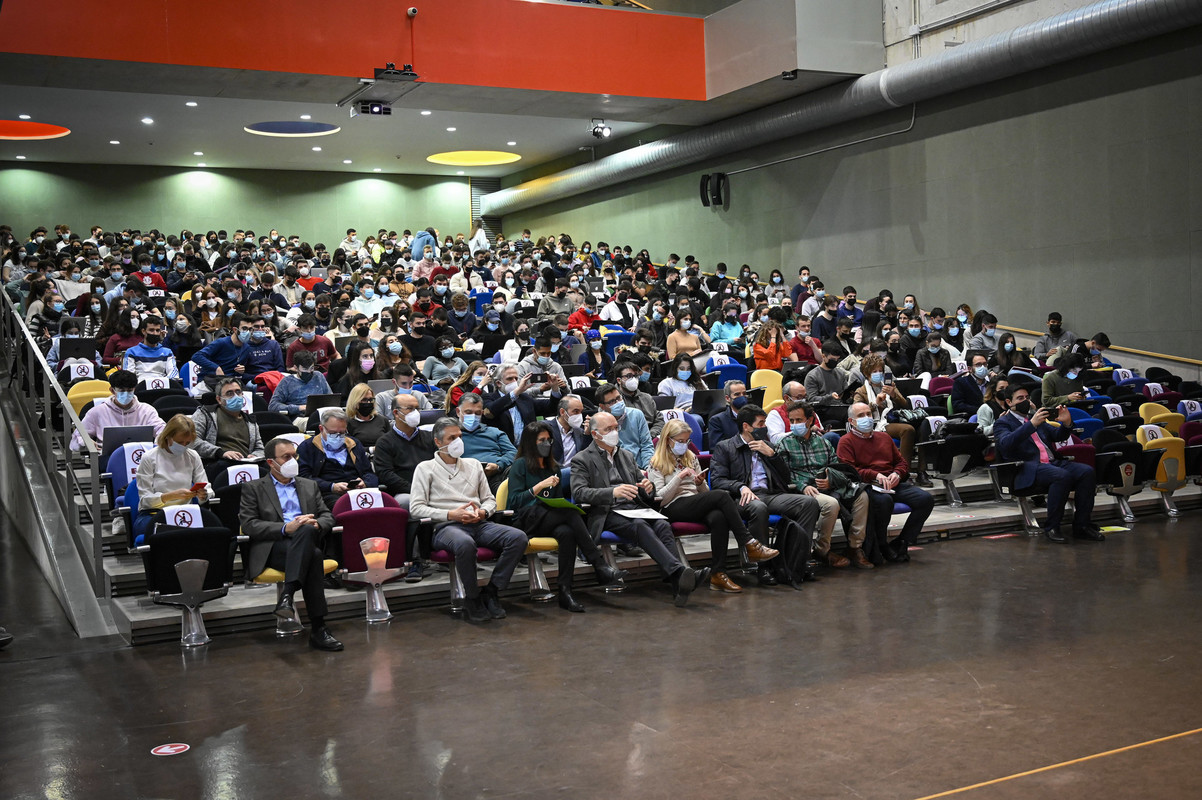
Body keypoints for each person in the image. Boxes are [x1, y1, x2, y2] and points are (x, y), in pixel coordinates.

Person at [570, 412, 705, 607]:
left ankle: (678, 582)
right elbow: (580, 492)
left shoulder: (626, 455)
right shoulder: (581, 459)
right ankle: (678, 572)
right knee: (640, 526)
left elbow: (642, 487)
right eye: (608, 429)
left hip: (634, 508)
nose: (614, 432)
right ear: (595, 434)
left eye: (616, 428)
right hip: (607, 511)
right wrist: (613, 492)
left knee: (662, 524)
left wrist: (647, 487)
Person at [410, 417, 529, 623]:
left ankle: (492, 590)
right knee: (465, 543)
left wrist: (483, 512)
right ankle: (472, 598)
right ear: (438, 442)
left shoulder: (474, 465)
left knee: (518, 537)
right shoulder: (425, 468)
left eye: (460, 436)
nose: (458, 441)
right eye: (452, 437)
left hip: (479, 523)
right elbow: (416, 508)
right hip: (446, 527)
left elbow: (489, 500)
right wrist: (451, 514)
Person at [506, 421, 629, 612]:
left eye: (549, 440)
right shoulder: (520, 465)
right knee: (570, 513)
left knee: (567, 533)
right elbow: (513, 502)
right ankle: (599, 565)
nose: (547, 444)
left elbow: (555, 501)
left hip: (549, 518)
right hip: (525, 520)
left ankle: (565, 591)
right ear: (531, 443)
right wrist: (539, 487)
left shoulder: (553, 468)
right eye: (541, 440)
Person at [648, 419, 779, 594]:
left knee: (718, 516)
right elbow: (659, 499)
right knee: (722, 496)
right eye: (680, 441)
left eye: (687, 441)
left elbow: (705, 493)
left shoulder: (690, 457)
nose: (684, 445)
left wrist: (700, 483)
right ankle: (748, 542)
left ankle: (718, 574)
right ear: (667, 440)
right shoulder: (656, 462)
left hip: (693, 503)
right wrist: (678, 478)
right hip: (671, 507)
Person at [239, 437, 343, 651]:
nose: (292, 460)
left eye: (294, 456)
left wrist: (316, 524)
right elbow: (249, 525)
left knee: (306, 529)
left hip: (306, 537)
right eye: (286, 457)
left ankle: (288, 594)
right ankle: (319, 629)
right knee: (313, 556)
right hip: (275, 546)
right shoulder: (254, 488)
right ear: (270, 462)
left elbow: (327, 516)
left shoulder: (309, 485)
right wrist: (286, 528)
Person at [710, 404, 820, 588]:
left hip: (770, 494)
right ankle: (763, 567)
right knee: (758, 507)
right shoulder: (725, 447)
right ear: (746, 426)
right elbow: (717, 480)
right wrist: (741, 486)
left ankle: (794, 558)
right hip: (740, 499)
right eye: (760, 424)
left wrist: (772, 455)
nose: (764, 428)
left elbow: (786, 479)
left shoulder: (768, 446)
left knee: (808, 503)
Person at [993, 385, 1102, 543]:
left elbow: (1057, 436)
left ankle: (1082, 526)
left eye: (1027, 397)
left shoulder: (1035, 418)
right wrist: (1031, 425)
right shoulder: (1003, 423)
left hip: (1051, 463)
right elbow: (1005, 444)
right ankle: (1052, 527)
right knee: (1061, 476)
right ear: (1009, 402)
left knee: (1086, 471)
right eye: (1020, 398)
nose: (1026, 401)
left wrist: (1066, 424)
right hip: (1027, 468)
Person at [837, 403, 935, 563]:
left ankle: (902, 541)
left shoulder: (884, 437)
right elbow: (849, 471)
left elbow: (902, 463)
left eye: (869, 414)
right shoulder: (846, 442)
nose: (867, 418)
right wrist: (875, 475)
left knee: (925, 499)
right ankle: (882, 544)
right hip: (868, 485)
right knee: (884, 501)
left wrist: (897, 473)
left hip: (892, 482)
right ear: (852, 421)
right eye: (861, 416)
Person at [778, 402, 872, 569]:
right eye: (791, 421)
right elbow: (784, 475)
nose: (794, 425)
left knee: (861, 496)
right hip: (805, 489)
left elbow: (837, 467)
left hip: (828, 485)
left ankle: (854, 547)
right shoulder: (785, 444)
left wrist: (831, 480)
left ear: (809, 420)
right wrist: (802, 486)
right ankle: (822, 551)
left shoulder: (823, 443)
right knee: (831, 504)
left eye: (798, 420)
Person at [372, 391, 437, 582]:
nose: (415, 412)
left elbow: (440, 465)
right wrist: (416, 490)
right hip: (403, 492)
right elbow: (385, 475)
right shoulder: (385, 442)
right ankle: (416, 559)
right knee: (410, 504)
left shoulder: (429, 437)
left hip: (433, 489)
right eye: (410, 409)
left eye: (417, 408)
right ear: (396, 413)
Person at [132, 414, 217, 543]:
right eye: (180, 442)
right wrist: (169, 496)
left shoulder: (192, 456)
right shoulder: (149, 458)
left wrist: (203, 495)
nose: (183, 446)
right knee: (167, 532)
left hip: (185, 511)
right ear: (168, 437)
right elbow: (145, 500)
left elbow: (207, 487)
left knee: (213, 527)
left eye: (187, 443)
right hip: (154, 513)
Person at [297, 408, 379, 516]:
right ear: (321, 429)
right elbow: (304, 478)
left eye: (342, 433)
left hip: (358, 491)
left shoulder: (354, 443)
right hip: (327, 493)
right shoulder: (308, 447)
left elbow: (369, 472)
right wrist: (331, 486)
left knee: (383, 508)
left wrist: (365, 483)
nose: (338, 436)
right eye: (333, 433)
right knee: (346, 508)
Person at [70, 368, 165, 451]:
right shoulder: (97, 412)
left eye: (129, 390)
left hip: (141, 453)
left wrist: (158, 443)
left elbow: (163, 430)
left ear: (134, 389)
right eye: (122, 391)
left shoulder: (147, 410)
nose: (126, 394)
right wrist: (86, 441)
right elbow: (77, 436)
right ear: (112, 390)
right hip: (108, 455)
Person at [191, 377, 265, 479]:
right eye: (229, 393)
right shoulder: (205, 413)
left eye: (238, 392)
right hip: (217, 462)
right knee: (222, 466)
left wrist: (255, 456)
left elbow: (259, 448)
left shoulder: (250, 421)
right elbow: (192, 440)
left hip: (246, 464)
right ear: (219, 399)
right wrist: (220, 452)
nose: (235, 396)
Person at [455, 393, 516, 492]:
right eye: (468, 412)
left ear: (482, 413)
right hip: (464, 479)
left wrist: (498, 466)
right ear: (458, 412)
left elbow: (513, 453)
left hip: (498, 475)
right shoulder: (451, 435)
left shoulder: (495, 432)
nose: (473, 416)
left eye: (477, 413)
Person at [595, 382, 654, 469]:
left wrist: (648, 469)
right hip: (616, 470)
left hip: (640, 466)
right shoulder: (599, 421)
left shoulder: (637, 414)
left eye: (619, 398)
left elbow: (646, 445)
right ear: (602, 406)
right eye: (612, 402)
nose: (618, 402)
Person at [268, 350, 331, 428]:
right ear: (296, 368)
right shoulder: (287, 382)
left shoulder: (318, 376)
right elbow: (273, 406)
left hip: (321, 415)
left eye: (311, 368)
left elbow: (330, 398)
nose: (309, 371)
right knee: (318, 424)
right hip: (300, 418)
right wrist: (299, 408)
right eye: (305, 369)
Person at [192, 314, 252, 390]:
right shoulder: (221, 342)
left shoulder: (247, 347)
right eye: (244, 328)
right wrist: (216, 368)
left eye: (250, 329)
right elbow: (196, 356)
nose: (248, 332)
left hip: (230, 382)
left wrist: (242, 370)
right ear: (235, 330)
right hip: (210, 381)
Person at [484, 365, 538, 445]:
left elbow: (549, 407)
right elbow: (491, 410)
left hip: (526, 448)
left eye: (516, 379)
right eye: (510, 379)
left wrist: (555, 388)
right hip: (502, 449)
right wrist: (516, 392)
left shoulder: (524, 398)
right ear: (498, 383)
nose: (514, 382)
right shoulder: (488, 397)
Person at [121, 315, 178, 382]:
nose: (155, 333)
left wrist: (163, 383)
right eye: (151, 330)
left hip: (161, 387)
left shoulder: (167, 352)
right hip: (139, 388)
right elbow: (128, 376)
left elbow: (174, 374)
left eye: (157, 330)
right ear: (143, 331)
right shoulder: (131, 352)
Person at [804, 340, 851, 407]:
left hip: (841, 408)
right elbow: (812, 399)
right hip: (822, 410)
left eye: (837, 359)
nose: (835, 362)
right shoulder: (812, 376)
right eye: (832, 359)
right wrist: (830, 397)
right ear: (823, 356)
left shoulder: (841, 373)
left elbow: (845, 394)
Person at [549, 394, 589, 465]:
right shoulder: (545, 428)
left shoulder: (580, 432)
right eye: (576, 411)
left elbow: (585, 456)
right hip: (554, 471)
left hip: (576, 472)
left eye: (581, 412)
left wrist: (587, 434)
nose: (579, 415)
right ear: (562, 412)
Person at [708, 380, 748, 451]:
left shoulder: (754, 416)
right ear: (727, 398)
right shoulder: (717, 421)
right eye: (737, 394)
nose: (742, 397)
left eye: (744, 394)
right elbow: (717, 449)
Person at [345, 383, 389, 448]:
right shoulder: (348, 423)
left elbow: (391, 442)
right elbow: (349, 448)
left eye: (370, 400)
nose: (368, 403)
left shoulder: (382, 420)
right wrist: (371, 449)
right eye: (364, 400)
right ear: (355, 401)